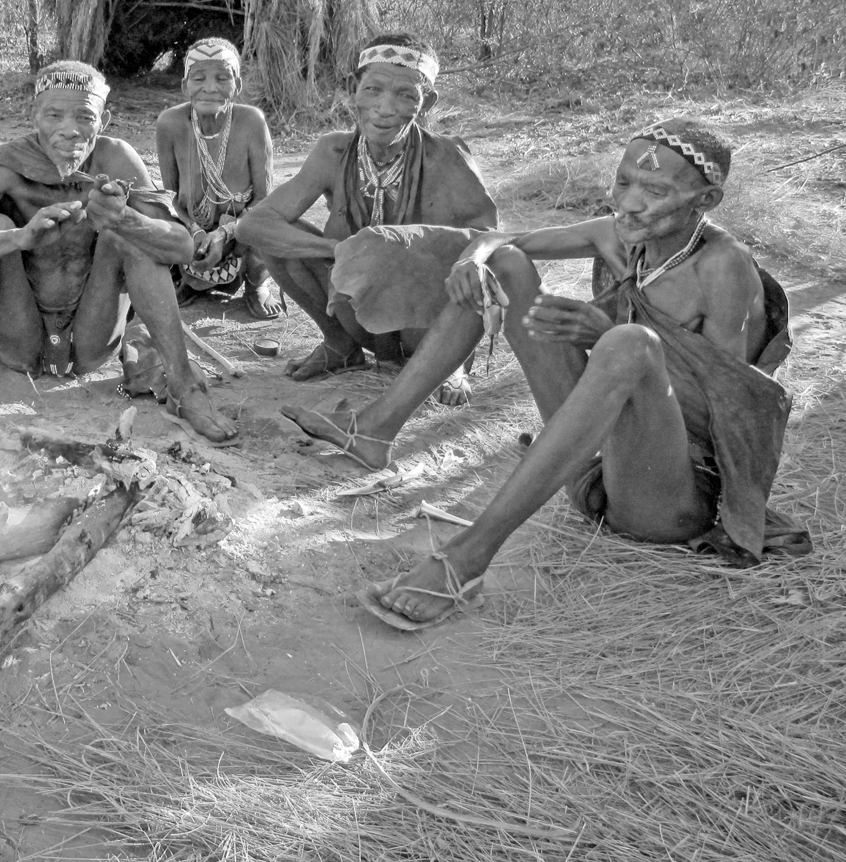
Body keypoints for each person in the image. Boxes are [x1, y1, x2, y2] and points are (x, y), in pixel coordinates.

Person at [288, 119, 808, 628]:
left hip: (669, 495)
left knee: (629, 342)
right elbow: (505, 239)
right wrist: (476, 255)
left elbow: (733, 412)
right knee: (506, 266)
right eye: (623, 182)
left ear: (705, 202)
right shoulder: (620, 235)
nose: (628, 202)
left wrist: (601, 334)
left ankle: (465, 560)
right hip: (594, 464)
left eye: (655, 190)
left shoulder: (723, 266)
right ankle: (375, 430)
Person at [0, 60, 239, 452]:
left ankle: (185, 386)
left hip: (92, 340)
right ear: (33, 116)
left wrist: (125, 220)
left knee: (131, 237)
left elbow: (182, 247)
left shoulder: (117, 159)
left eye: (84, 116)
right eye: (54, 115)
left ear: (103, 120)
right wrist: (19, 237)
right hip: (18, 339)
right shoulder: (7, 167)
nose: (69, 129)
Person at [236, 35, 497, 402]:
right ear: (351, 88)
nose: (385, 108)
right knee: (280, 240)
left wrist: (403, 253)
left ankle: (446, 362)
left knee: (472, 269)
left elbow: (489, 242)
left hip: (420, 313)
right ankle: (341, 345)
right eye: (373, 89)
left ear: (427, 103)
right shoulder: (333, 151)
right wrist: (338, 248)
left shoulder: (449, 158)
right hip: (354, 303)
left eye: (406, 95)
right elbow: (252, 225)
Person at [156, 38, 282, 319]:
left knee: (268, 222)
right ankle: (189, 280)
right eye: (198, 78)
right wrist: (197, 231)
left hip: (240, 228)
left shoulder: (252, 122)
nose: (210, 87)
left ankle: (256, 284)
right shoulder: (170, 124)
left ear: (236, 86)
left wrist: (225, 232)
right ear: (184, 86)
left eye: (222, 78)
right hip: (192, 228)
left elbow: (264, 199)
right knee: (154, 216)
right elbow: (170, 197)